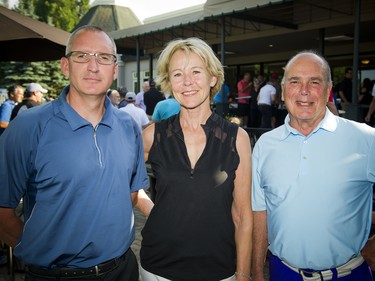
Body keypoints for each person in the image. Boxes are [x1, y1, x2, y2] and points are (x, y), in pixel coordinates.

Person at [0, 25, 148, 281]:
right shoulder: (27, 128)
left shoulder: (128, 127)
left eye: (103, 57)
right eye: (82, 56)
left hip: (123, 270)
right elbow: (2, 211)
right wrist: (41, 251)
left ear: (114, 70)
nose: (93, 66)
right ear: (65, 66)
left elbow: (132, 194)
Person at [252, 50, 375, 281]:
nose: (304, 91)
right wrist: (257, 271)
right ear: (283, 89)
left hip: (349, 275)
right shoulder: (265, 145)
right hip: (282, 273)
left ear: (328, 90)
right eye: (295, 81)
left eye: (314, 82)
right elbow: (260, 213)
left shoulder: (366, 139)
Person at [139, 37, 252, 281]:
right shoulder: (152, 135)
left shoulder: (237, 138)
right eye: (178, 74)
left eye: (196, 72)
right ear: (169, 82)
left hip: (219, 269)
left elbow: (242, 214)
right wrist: (151, 209)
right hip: (157, 269)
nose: (187, 82)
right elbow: (124, 181)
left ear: (212, 78)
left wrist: (243, 274)